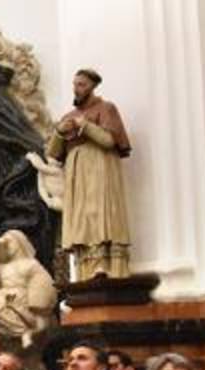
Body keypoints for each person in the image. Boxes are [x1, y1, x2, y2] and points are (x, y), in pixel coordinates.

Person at [47, 68, 133, 281]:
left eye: (82, 85)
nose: (76, 89)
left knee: (100, 213)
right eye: (75, 85)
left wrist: (84, 126)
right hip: (77, 174)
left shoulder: (106, 108)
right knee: (82, 218)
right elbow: (53, 153)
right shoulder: (69, 116)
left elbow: (109, 141)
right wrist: (59, 132)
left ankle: (107, 264)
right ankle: (86, 268)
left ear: (93, 86)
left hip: (99, 168)